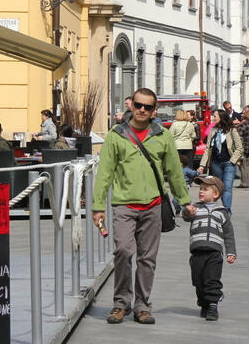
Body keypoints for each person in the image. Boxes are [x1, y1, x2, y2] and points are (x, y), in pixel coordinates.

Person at [92, 87, 193, 326]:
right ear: (131, 105)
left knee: (147, 258)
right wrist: (97, 207)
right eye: (138, 105)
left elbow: (174, 172)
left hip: (153, 205)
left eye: (147, 107)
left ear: (154, 111)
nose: (142, 110)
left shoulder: (162, 135)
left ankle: (142, 306)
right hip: (124, 205)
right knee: (124, 251)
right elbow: (104, 173)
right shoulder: (116, 134)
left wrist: (185, 201)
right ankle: (120, 303)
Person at [182, 175, 236, 322]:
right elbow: (186, 217)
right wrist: (187, 211)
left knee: (211, 279)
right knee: (198, 281)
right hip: (197, 252)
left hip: (214, 253)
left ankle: (213, 305)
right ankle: (204, 303)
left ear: (216, 194)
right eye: (200, 189)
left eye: (206, 189)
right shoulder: (196, 208)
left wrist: (231, 252)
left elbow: (229, 235)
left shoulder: (222, 212)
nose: (201, 192)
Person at [198, 110, 243, 211]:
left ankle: (226, 210)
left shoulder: (232, 130)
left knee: (227, 187)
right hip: (215, 163)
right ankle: (213, 209)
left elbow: (240, 148)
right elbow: (208, 148)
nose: (213, 118)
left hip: (228, 163)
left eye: (215, 116)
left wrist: (232, 161)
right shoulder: (213, 130)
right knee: (218, 187)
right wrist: (202, 165)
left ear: (221, 117)